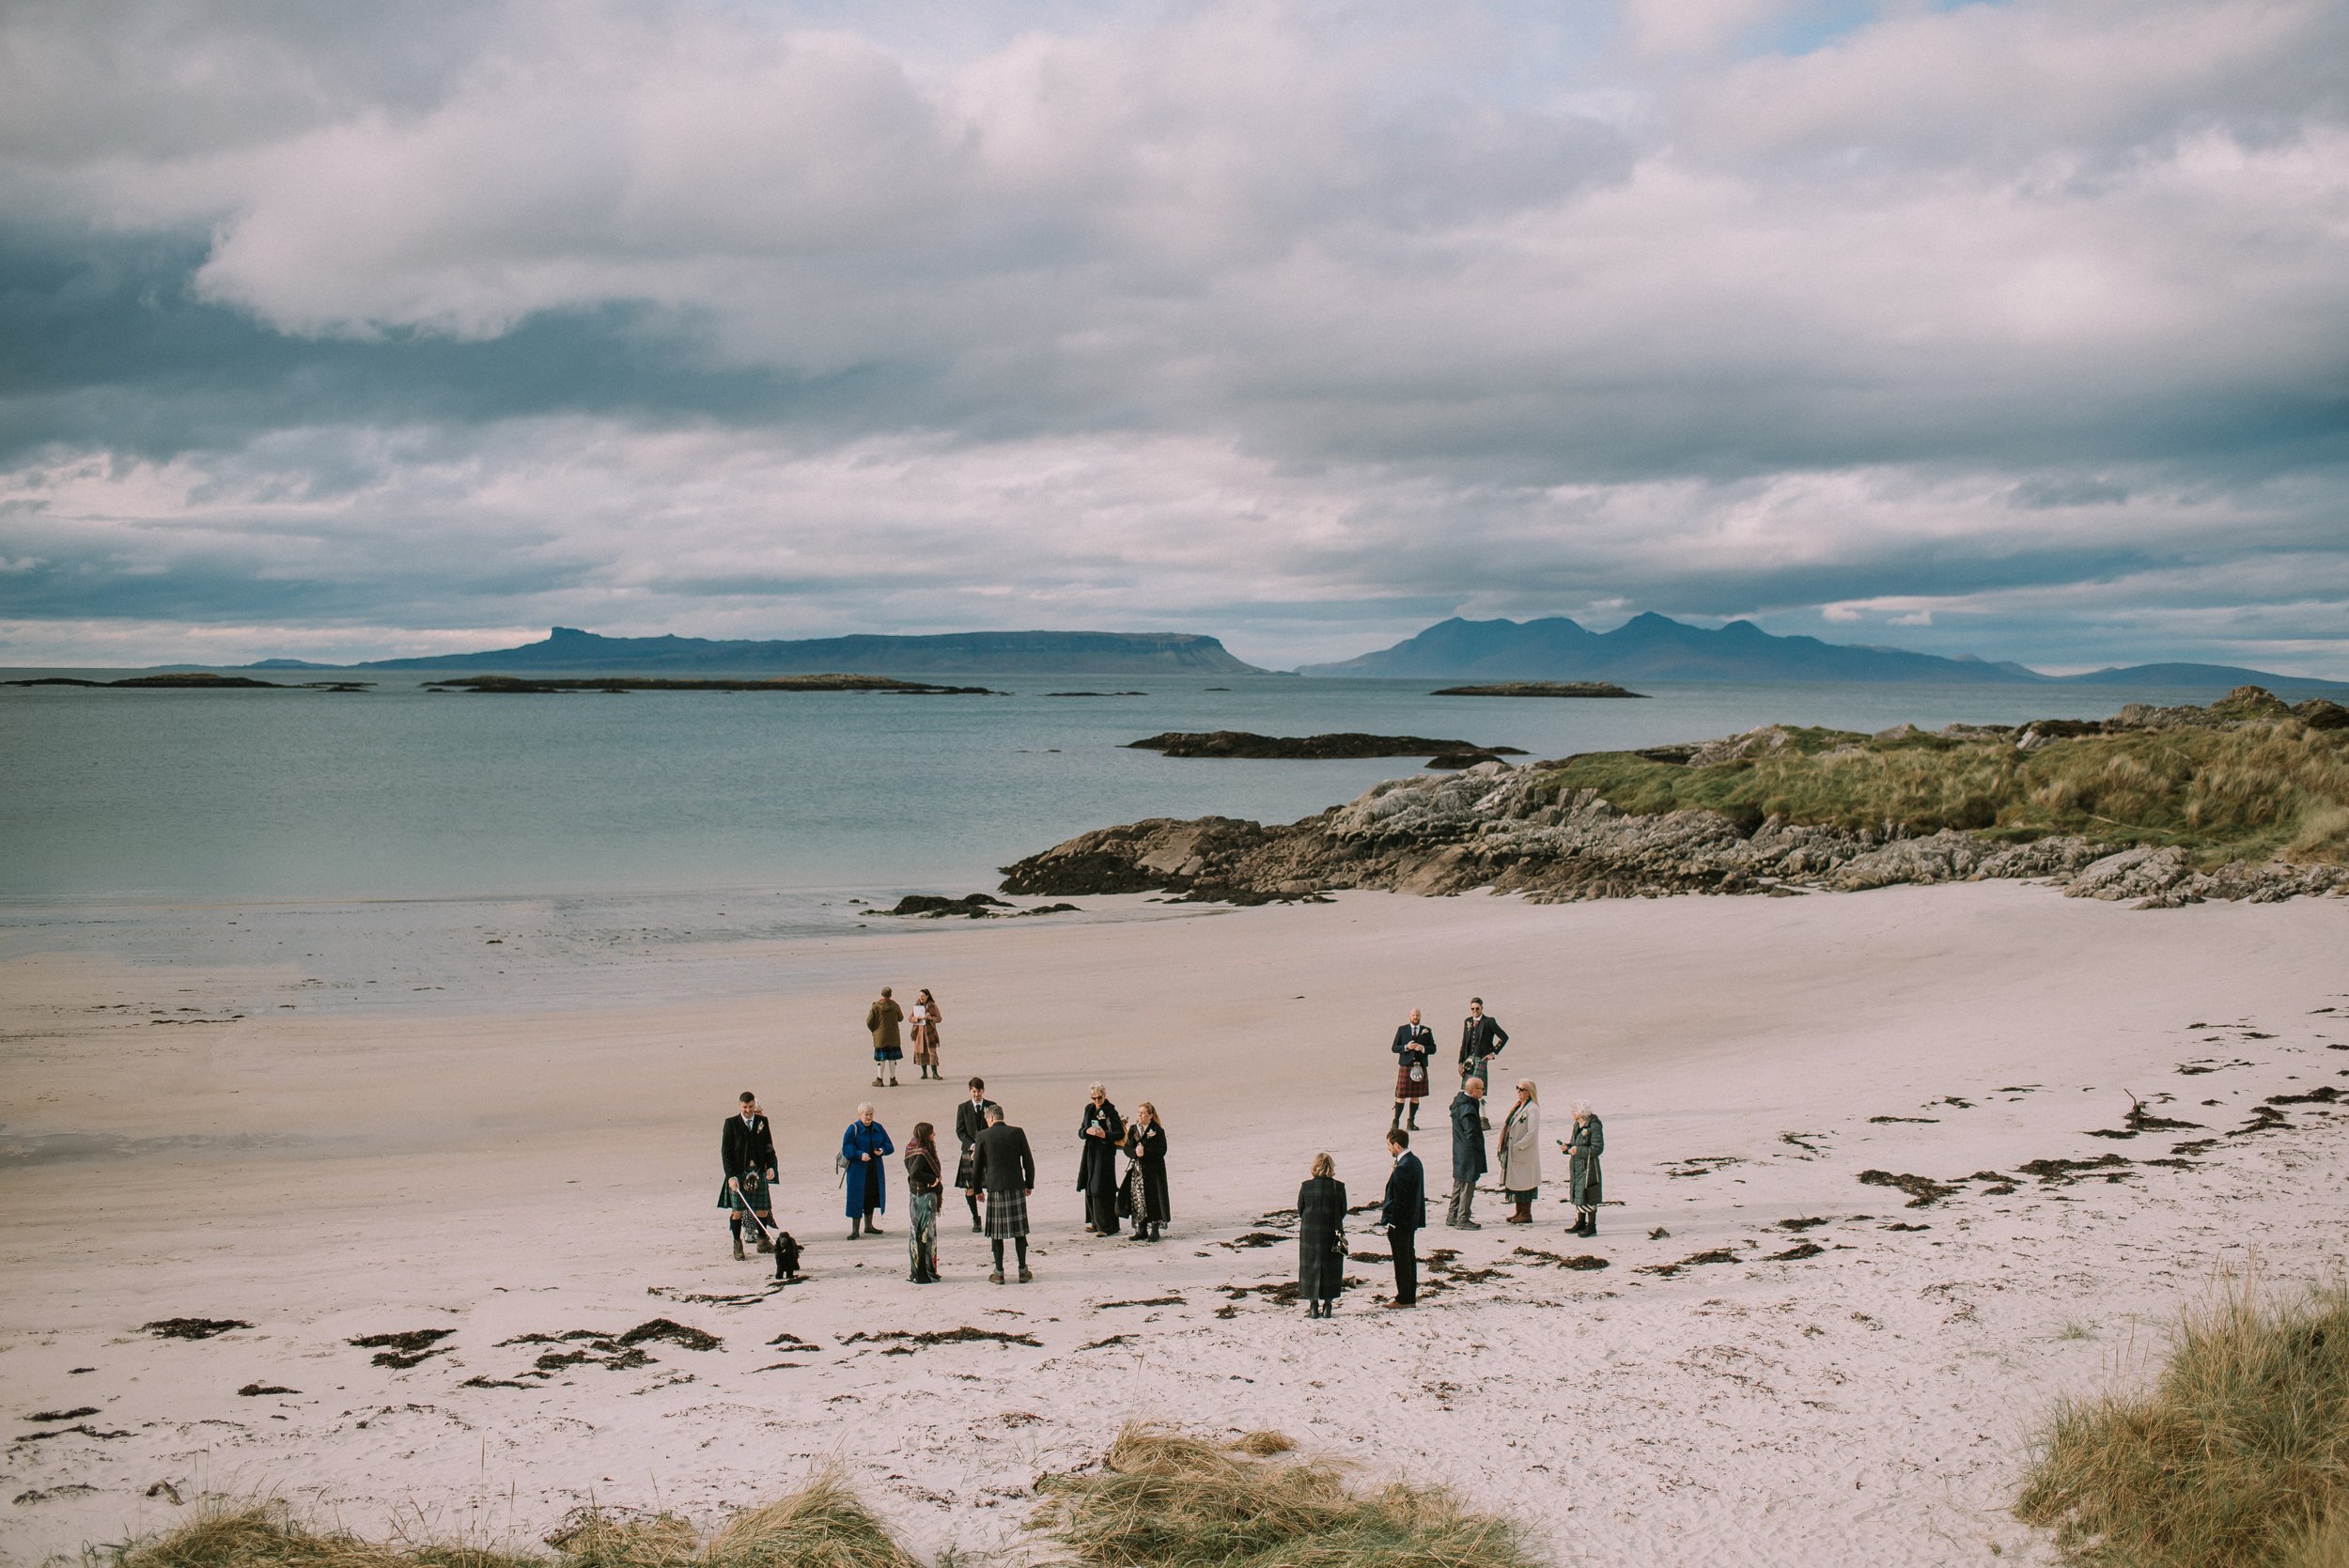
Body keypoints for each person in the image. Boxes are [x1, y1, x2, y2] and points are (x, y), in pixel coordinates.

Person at [972, 1104, 1036, 1283]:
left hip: (995, 1188)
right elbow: (1028, 1161)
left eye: (987, 1119)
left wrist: (977, 1190)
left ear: (991, 1118)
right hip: (1016, 1186)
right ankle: (1023, 1271)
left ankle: (999, 1273)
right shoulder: (1017, 1132)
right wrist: (1029, 1183)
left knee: (996, 1233)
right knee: (1020, 1231)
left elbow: (976, 1167)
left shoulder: (983, 1135)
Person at [719, 1091, 778, 1261]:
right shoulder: (731, 1123)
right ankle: (737, 1245)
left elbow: (769, 1147)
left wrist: (771, 1167)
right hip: (739, 1173)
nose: (748, 1110)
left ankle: (762, 1242)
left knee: (762, 1209)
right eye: (745, 1107)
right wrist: (731, 1176)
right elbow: (726, 1153)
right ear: (740, 1106)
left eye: (751, 1107)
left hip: (758, 1171)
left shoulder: (762, 1122)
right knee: (737, 1211)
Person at [1297, 1152, 1347, 1318]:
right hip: (1331, 1233)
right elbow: (1343, 1211)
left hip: (1310, 1234)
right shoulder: (1338, 1187)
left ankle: (1313, 1305)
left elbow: (1300, 1209)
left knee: (1310, 1266)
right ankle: (1328, 1305)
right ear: (1331, 1168)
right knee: (1331, 1268)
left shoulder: (1306, 1186)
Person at [1380, 1128, 1426, 1307]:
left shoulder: (1404, 1167)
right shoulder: (1415, 1161)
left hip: (1402, 1222)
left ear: (1396, 1145)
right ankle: (1408, 1296)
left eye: (1388, 1145)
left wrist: (1393, 1221)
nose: (1388, 1148)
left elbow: (1400, 1199)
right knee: (1408, 1257)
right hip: (1411, 1219)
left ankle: (1404, 1298)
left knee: (1402, 1260)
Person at [840, 1102, 894, 1239]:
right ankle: (855, 1230)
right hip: (857, 1170)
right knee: (856, 1197)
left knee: (871, 1195)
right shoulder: (853, 1129)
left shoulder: (878, 1127)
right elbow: (846, 1148)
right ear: (860, 1115)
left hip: (874, 1169)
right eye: (866, 1114)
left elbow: (889, 1146)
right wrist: (859, 1155)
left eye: (870, 1114)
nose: (869, 1117)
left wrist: (881, 1150)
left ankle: (869, 1225)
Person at [1077, 1082, 1125, 1235]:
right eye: (1094, 1098)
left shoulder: (1111, 1111)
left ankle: (1107, 1225)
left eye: (1099, 1097)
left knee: (1102, 1187)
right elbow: (1080, 1131)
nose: (1097, 1101)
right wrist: (1087, 1131)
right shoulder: (1089, 1109)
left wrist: (1105, 1135)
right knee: (1090, 1185)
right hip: (1090, 1152)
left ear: (1104, 1096)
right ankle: (1094, 1222)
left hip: (1105, 1153)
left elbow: (1119, 1133)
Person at [954, 1077, 1000, 1233]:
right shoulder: (963, 1108)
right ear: (970, 1091)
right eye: (974, 1091)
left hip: (988, 1150)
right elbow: (960, 1131)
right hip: (969, 1150)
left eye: (979, 1091)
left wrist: (982, 1146)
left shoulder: (991, 1106)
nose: (976, 1094)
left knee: (992, 1185)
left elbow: (995, 1127)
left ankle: (993, 1217)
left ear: (983, 1091)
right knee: (970, 1188)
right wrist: (973, 1145)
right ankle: (976, 1219)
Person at [1124, 1101, 1170, 1243]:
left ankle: (1155, 1230)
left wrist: (1146, 1153)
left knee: (1154, 1199)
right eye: (1139, 1113)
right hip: (1137, 1171)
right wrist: (1135, 1153)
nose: (1140, 1115)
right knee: (1138, 1200)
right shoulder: (1133, 1129)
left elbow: (1162, 1150)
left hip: (1153, 1171)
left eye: (1143, 1113)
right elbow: (1126, 1148)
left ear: (1150, 1115)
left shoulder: (1157, 1130)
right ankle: (1141, 1229)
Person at [1498, 1079, 1542, 1224]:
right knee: (1517, 1182)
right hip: (1515, 1152)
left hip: (1524, 1152)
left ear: (1529, 1092)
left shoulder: (1533, 1109)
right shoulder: (1519, 1106)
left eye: (1522, 1089)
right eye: (1517, 1088)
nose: (1519, 1092)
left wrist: (1518, 1145)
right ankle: (1519, 1211)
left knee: (1525, 1182)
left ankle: (1526, 1212)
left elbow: (1532, 1133)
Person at [904, 1121, 943, 1282]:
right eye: (932, 1133)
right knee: (925, 1234)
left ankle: (918, 1271)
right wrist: (933, 1179)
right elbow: (914, 1172)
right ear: (927, 1135)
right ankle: (924, 1273)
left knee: (917, 1232)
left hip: (915, 1195)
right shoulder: (922, 1152)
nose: (934, 1135)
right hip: (924, 1196)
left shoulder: (911, 1147)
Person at [1447, 1076, 1487, 1229]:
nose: (1484, 1091)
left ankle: (1452, 1216)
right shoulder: (1468, 1107)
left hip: (1458, 1148)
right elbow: (1471, 1132)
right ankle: (1463, 1218)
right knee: (1467, 1184)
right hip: (1468, 1151)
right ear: (1474, 1090)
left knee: (1459, 1182)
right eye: (1482, 1088)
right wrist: (1477, 1151)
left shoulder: (1459, 1102)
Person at [1391, 1008, 1437, 1131]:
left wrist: (1422, 1048)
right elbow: (1394, 1048)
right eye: (1413, 1015)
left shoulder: (1427, 1030)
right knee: (1401, 1096)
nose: (1415, 1017)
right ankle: (1396, 1122)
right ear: (1409, 1016)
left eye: (1417, 1015)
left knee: (1415, 1096)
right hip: (1406, 1065)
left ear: (1420, 1016)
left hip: (1420, 1065)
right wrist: (1406, 1047)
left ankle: (1411, 1121)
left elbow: (1433, 1049)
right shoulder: (1402, 1030)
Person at [1565, 1101, 1606, 1237]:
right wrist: (1567, 1147)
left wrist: (1578, 1150)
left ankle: (1591, 1226)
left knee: (1589, 1194)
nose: (1572, 1113)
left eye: (1573, 1111)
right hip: (1577, 1165)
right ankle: (1580, 1222)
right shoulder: (1577, 1125)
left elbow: (1597, 1148)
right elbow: (1574, 1144)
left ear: (1581, 1112)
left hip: (1589, 1166)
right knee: (1578, 1192)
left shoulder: (1594, 1126)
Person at [1459, 997, 1508, 1087]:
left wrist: (1493, 1052)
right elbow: (1464, 1043)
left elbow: (1504, 1037)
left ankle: (1479, 1101)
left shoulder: (1489, 1021)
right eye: (1472, 1009)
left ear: (1482, 1008)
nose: (1475, 1011)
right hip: (1468, 1059)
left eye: (1477, 1008)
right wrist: (1460, 1062)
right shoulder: (1468, 1021)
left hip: (1481, 1058)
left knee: (1477, 1087)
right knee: (1467, 1088)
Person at [866, 986, 905, 1088]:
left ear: (882, 994)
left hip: (880, 1036)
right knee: (892, 1059)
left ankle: (880, 1079)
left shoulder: (875, 1006)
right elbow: (901, 1018)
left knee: (881, 1059)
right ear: (890, 995)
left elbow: (868, 1021)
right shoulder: (895, 1005)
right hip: (893, 1036)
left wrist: (874, 1030)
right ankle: (892, 1079)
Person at [909, 988, 943, 1079]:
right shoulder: (915, 1006)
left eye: (923, 996)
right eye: (920, 996)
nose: (921, 998)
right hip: (919, 1033)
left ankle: (935, 1073)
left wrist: (930, 1018)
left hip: (930, 1032)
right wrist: (918, 1018)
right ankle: (924, 1073)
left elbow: (939, 1018)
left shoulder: (933, 1006)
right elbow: (910, 1018)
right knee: (921, 1052)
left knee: (932, 1052)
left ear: (927, 996)